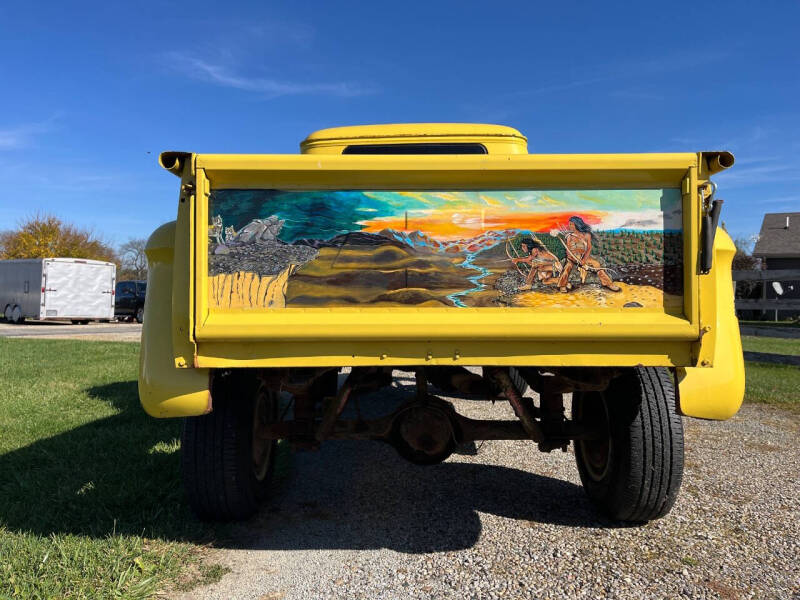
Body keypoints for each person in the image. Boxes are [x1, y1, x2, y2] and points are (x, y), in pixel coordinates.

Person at [556, 216, 620, 292]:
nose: (569, 226)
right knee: (567, 267)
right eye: (569, 224)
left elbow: (589, 248)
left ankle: (608, 284)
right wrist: (573, 259)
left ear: (577, 224)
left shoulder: (586, 235)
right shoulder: (569, 236)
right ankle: (562, 285)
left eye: (571, 224)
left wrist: (583, 260)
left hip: (584, 257)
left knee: (596, 265)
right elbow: (568, 251)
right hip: (572, 258)